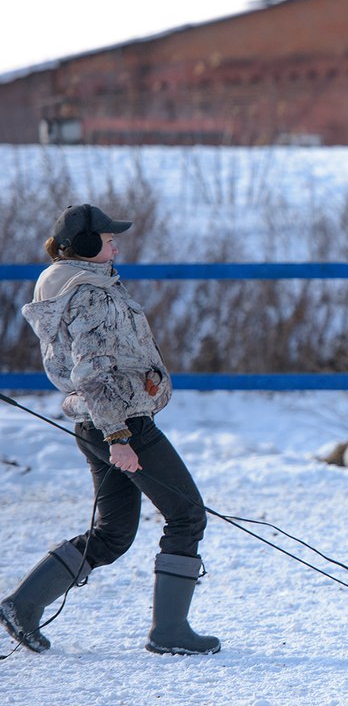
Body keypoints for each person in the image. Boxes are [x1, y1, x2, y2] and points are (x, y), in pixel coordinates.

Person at [1, 204, 220, 656]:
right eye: (107, 238)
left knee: (113, 534)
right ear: (83, 246)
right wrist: (119, 438)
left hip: (99, 421)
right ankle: (170, 633)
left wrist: (146, 377)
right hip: (121, 424)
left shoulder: (85, 285)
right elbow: (92, 370)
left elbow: (113, 356)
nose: (116, 243)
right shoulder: (88, 295)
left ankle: (22, 606)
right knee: (187, 515)